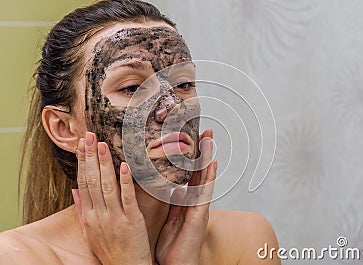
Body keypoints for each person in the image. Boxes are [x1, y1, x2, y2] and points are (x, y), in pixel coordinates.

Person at [0, 0, 280, 264]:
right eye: (132, 88)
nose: (174, 109)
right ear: (63, 128)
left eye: (183, 84)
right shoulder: (17, 257)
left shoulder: (247, 238)